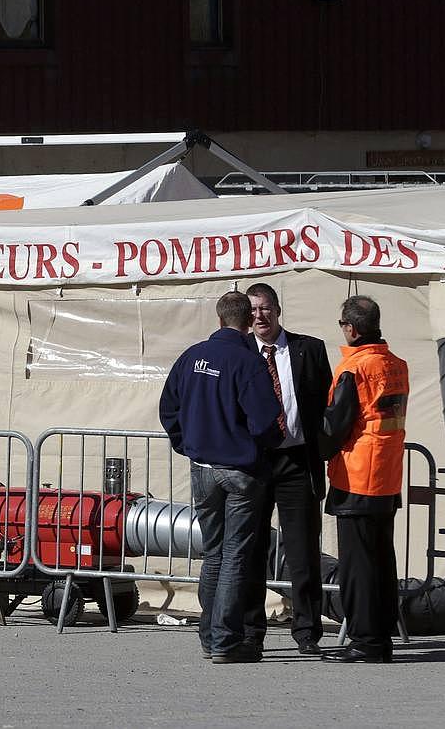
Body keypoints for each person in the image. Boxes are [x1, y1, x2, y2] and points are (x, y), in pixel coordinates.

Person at [160, 291, 284, 664]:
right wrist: (263, 447)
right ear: (248, 321)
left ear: (218, 320)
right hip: (240, 469)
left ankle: (209, 635)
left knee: (213, 553)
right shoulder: (247, 363)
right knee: (235, 556)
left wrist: (188, 443)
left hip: (204, 468)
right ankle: (224, 640)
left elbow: (169, 408)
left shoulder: (192, 356)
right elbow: (266, 420)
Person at [243, 283, 332, 656]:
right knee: (251, 549)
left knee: (303, 551)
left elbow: (328, 402)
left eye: (265, 308)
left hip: (298, 461)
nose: (260, 316)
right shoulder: (240, 351)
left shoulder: (308, 348)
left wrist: (326, 450)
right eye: (253, 311)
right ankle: (250, 630)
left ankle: (307, 631)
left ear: (278, 310)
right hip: (256, 462)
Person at [318, 295, 408, 664]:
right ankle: (379, 637)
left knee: (358, 566)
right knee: (381, 560)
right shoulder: (395, 364)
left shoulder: (355, 368)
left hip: (357, 476)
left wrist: (311, 444)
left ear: (350, 329)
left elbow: (335, 424)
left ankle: (365, 640)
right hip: (386, 474)